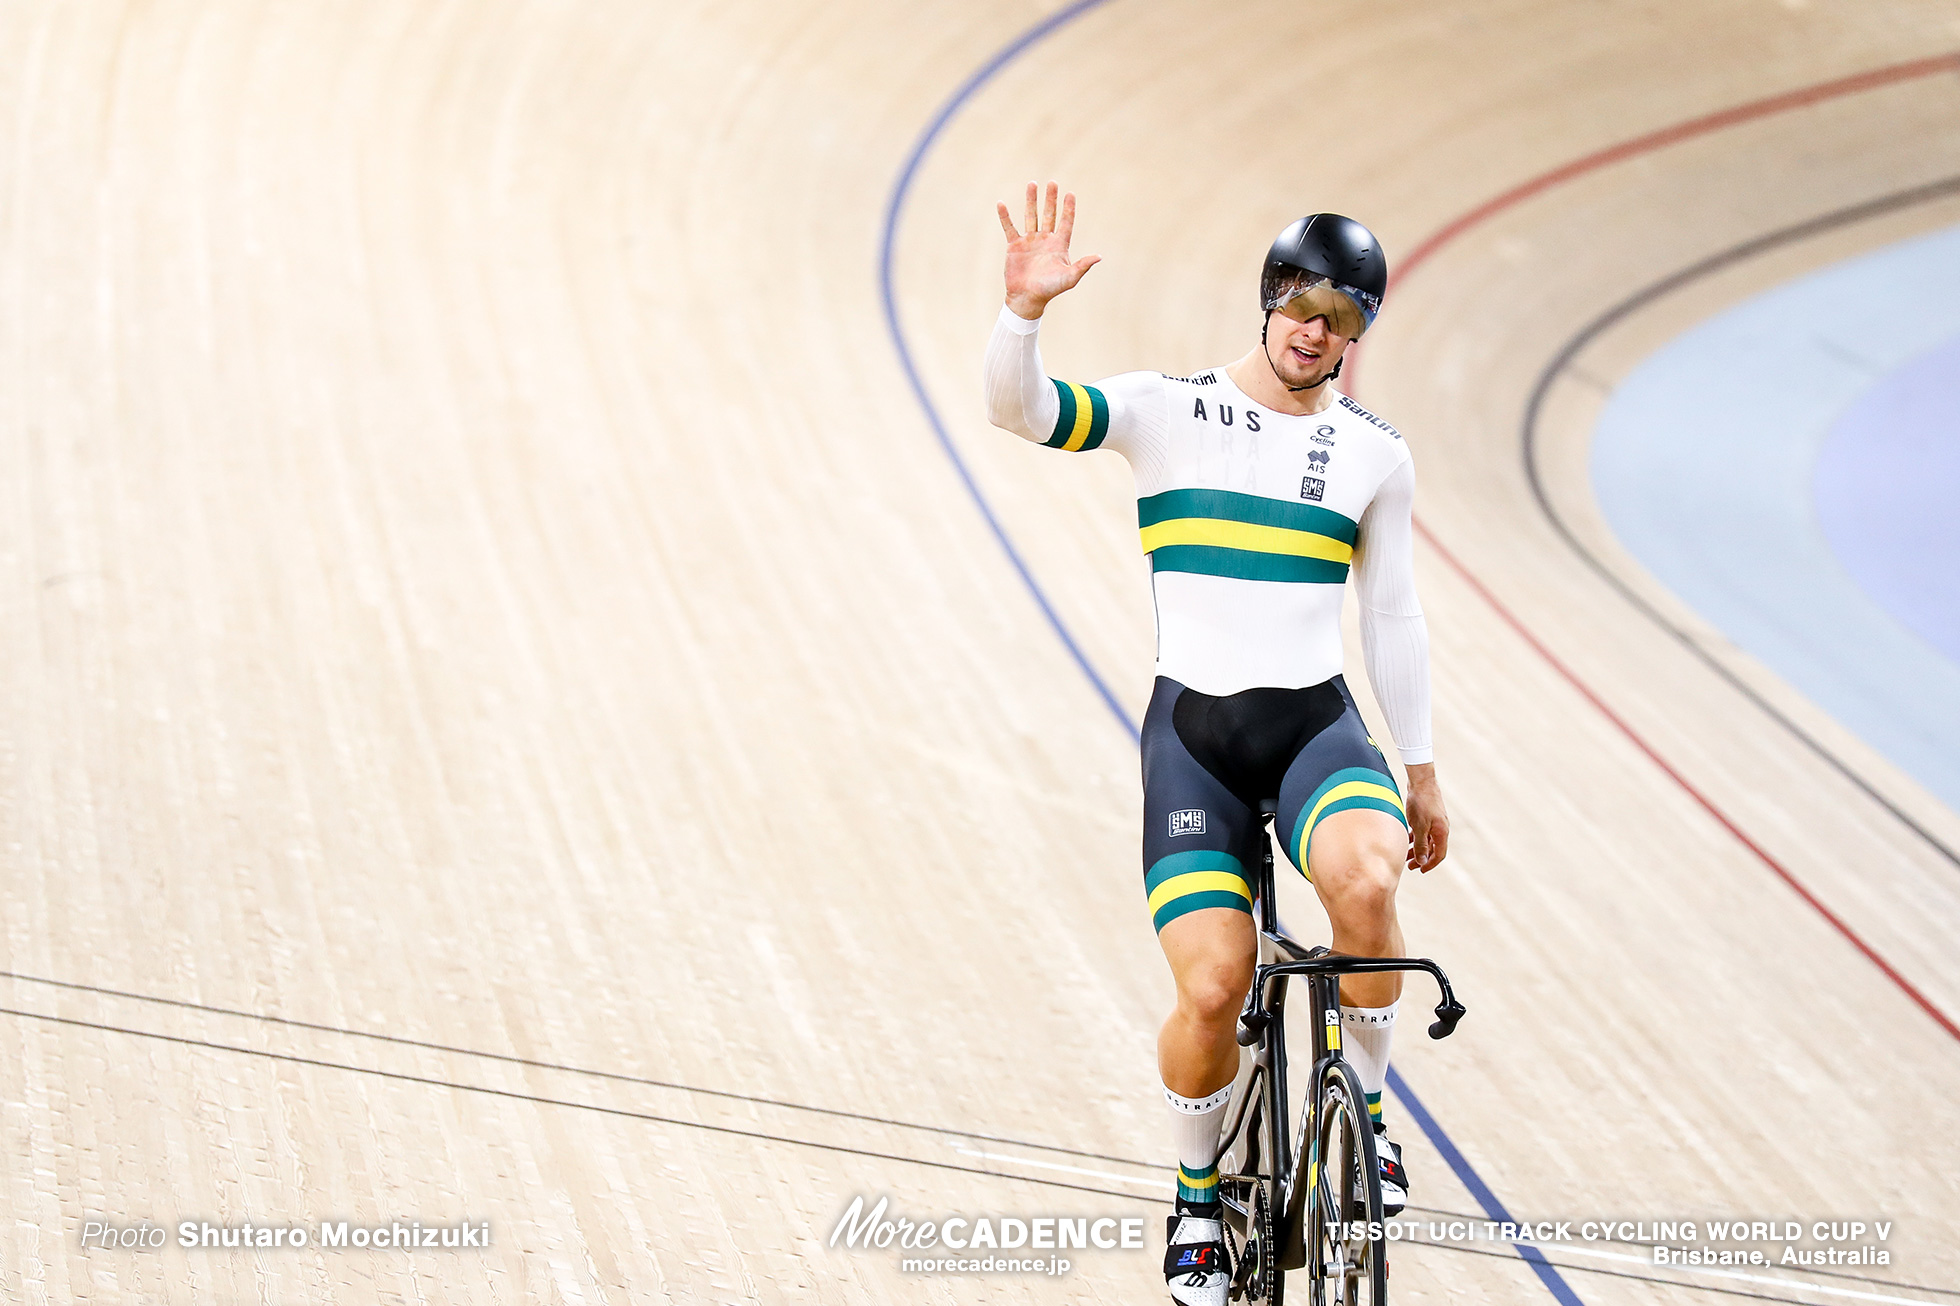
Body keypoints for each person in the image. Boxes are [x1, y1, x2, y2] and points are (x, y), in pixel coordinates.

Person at [983, 183, 1450, 1305]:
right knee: (1210, 992)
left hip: (1314, 731)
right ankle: (1197, 1195)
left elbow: (1391, 616)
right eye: (1297, 303)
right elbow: (1021, 411)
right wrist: (1023, 316)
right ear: (1267, 303)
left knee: (1369, 882)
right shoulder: (1164, 408)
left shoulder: (1374, 454)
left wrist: (1421, 767)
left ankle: (1372, 1125)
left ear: (1358, 337)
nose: (1312, 330)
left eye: (1339, 318)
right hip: (1193, 739)